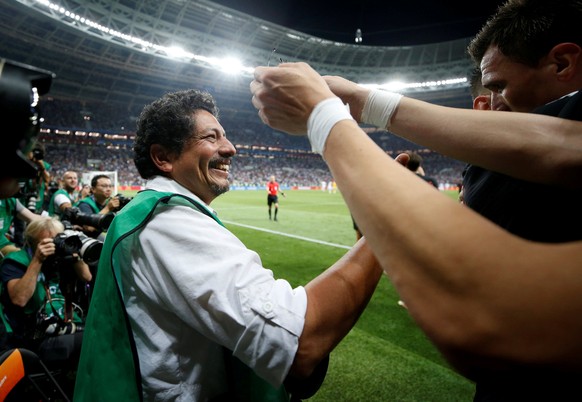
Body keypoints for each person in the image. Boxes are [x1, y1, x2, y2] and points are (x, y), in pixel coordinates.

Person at [249, 0, 582, 388]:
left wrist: (323, 119)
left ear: (562, 63)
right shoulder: (529, 154)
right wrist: (362, 101)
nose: (488, 106)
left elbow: (493, 321)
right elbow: (557, 143)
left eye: (500, 87)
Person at [74, 89, 383, 401]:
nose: (231, 148)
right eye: (211, 137)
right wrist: (389, 220)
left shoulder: (152, 214)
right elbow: (300, 342)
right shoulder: (168, 222)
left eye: (225, 136)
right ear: (163, 157)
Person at [0, 217, 92, 395]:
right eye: (50, 242)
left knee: (104, 332)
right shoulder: (15, 261)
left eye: (59, 239)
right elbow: (20, 299)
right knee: (93, 341)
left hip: (70, 325)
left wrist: (75, 254)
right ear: (34, 243)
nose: (56, 246)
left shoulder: (63, 257)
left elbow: (87, 277)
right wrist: (37, 260)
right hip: (36, 338)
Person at [76, 174, 120, 239]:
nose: (108, 189)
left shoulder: (110, 202)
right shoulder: (84, 204)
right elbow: (89, 228)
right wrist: (107, 208)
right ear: (93, 189)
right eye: (104, 186)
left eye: (110, 186)